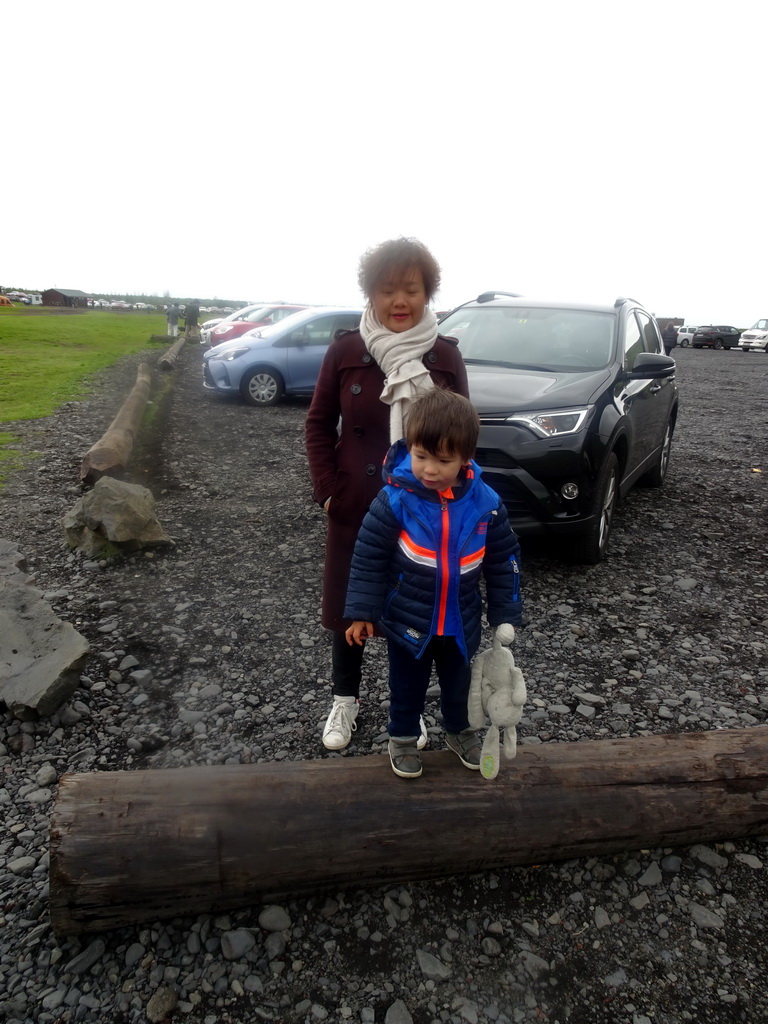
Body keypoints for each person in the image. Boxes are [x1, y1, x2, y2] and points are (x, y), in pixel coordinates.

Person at [305, 237, 469, 751]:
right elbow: (317, 425)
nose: (400, 301)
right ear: (371, 294)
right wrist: (329, 491)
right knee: (347, 608)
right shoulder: (345, 352)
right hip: (356, 505)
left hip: (423, 512)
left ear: (427, 294)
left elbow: (462, 436)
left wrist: (459, 500)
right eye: (388, 289)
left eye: (411, 290)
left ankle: (407, 711)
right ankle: (344, 701)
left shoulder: (444, 357)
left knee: (411, 609)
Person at [343, 388, 523, 779]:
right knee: (406, 687)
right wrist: (361, 611)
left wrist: (506, 612)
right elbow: (368, 557)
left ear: (464, 458)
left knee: (462, 687)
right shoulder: (395, 500)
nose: (429, 469)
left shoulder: (486, 503)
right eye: (421, 456)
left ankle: (460, 733)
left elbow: (504, 558)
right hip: (409, 619)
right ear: (410, 447)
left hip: (462, 622)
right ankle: (403, 738)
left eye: (443, 461)